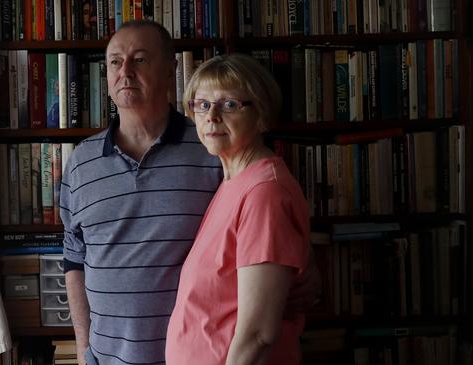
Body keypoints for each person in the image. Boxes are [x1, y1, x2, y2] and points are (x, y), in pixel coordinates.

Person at [61, 21, 319, 365]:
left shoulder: (214, 148)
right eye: (114, 62)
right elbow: (74, 258)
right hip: (108, 358)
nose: (125, 72)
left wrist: (308, 269)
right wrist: (83, 350)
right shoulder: (80, 162)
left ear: (171, 70)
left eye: (139, 59)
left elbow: (270, 227)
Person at [165, 53, 310, 365]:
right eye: (201, 104)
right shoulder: (234, 182)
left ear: (261, 114)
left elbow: (259, 334)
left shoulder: (264, 193)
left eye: (229, 104)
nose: (211, 116)